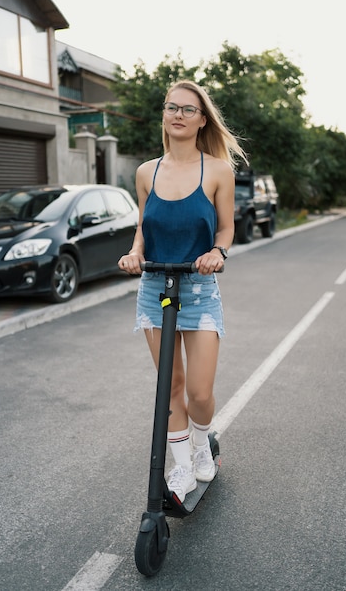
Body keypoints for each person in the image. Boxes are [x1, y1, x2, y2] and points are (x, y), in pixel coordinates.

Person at [118, 80, 247, 502]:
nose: (177, 114)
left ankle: (202, 441)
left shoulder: (218, 170)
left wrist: (217, 251)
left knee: (199, 393)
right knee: (169, 386)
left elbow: (226, 227)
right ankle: (182, 470)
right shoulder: (145, 172)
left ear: (202, 120)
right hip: (155, 288)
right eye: (171, 107)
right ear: (164, 115)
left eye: (188, 109)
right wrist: (134, 253)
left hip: (199, 291)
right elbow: (143, 229)